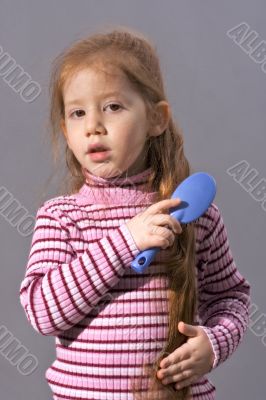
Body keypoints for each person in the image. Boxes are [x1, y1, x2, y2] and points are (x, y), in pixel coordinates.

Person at [19, 27, 251, 400]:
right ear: (66, 129)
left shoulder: (194, 215)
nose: (93, 125)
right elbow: (43, 312)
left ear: (156, 119)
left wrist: (214, 343)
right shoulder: (61, 218)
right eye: (78, 113)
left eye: (112, 106)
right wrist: (125, 242)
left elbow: (231, 298)